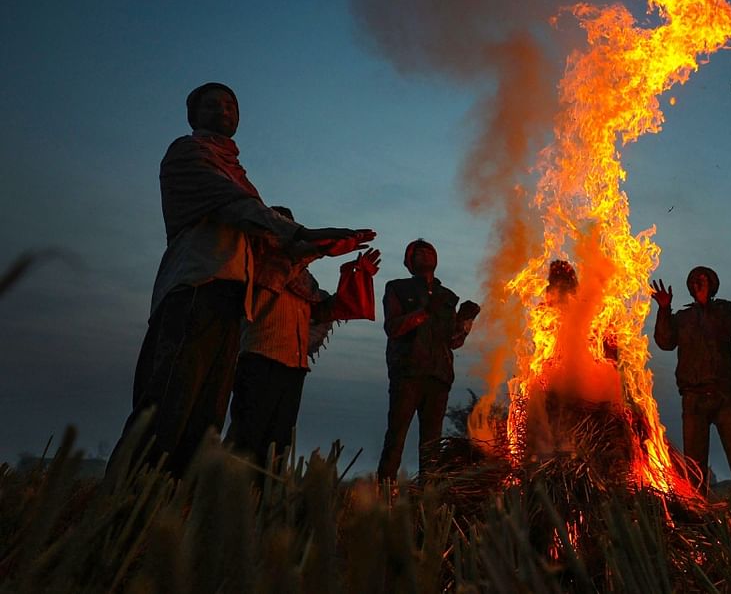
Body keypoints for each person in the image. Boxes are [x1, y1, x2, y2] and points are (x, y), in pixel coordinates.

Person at [109, 82, 373, 479]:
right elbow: (243, 213)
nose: (224, 109)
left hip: (231, 297)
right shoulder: (189, 153)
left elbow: (270, 238)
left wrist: (321, 245)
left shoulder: (236, 172)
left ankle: (176, 506)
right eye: (212, 104)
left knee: (206, 417)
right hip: (197, 286)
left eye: (231, 104)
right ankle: (125, 505)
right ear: (193, 115)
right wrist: (305, 235)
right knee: (171, 403)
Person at [225, 205, 382, 470]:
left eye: (288, 224)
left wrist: (357, 275)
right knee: (248, 437)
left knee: (278, 441)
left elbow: (323, 311)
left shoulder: (303, 278)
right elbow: (282, 270)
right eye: (280, 224)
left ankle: (262, 501)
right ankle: (228, 495)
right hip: (260, 357)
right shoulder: (257, 261)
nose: (285, 230)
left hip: (293, 366)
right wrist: (320, 247)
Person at [377, 239, 479, 482]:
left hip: (439, 377)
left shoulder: (447, 297)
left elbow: (452, 341)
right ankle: (385, 498)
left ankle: (428, 499)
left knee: (431, 444)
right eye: (418, 252)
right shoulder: (397, 288)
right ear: (409, 262)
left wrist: (465, 322)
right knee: (396, 437)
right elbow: (393, 328)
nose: (424, 254)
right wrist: (424, 312)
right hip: (408, 373)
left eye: (428, 251)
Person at [652, 267, 731, 494]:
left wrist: (706, 304)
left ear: (713, 283)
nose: (700, 281)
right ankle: (698, 512)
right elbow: (665, 342)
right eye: (696, 279)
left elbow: (728, 331)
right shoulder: (682, 317)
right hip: (693, 398)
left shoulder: (726, 310)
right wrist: (664, 309)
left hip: (723, 394)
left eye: (704, 278)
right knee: (694, 465)